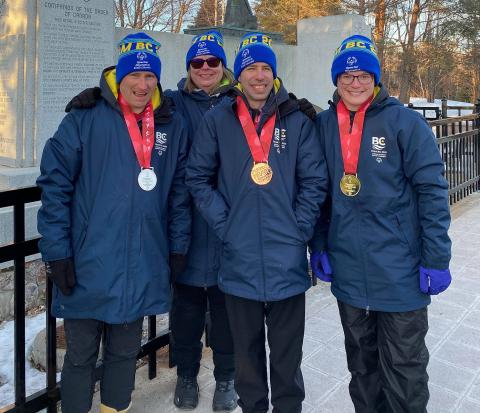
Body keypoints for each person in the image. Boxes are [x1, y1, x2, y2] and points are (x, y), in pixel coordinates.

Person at [37, 32, 190, 413]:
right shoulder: (84, 118)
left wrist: (177, 246)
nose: (142, 84)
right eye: (134, 75)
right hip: (89, 262)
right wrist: (57, 252)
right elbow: (55, 187)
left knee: (124, 353)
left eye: (150, 76)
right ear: (118, 77)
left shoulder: (170, 124)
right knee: (80, 357)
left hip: (141, 262)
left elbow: (179, 194)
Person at [186, 32, 329, 413]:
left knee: (286, 358)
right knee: (246, 360)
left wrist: (298, 227)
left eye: (266, 67)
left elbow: (315, 180)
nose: (259, 75)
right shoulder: (218, 119)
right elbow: (197, 177)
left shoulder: (296, 120)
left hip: (286, 260)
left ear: (274, 74)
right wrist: (226, 225)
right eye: (251, 67)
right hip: (239, 259)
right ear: (240, 74)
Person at [310, 34, 452, 413]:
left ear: (376, 78)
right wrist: (321, 244)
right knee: (362, 369)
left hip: (400, 273)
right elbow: (319, 193)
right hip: (350, 275)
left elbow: (433, 193)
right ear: (336, 80)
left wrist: (436, 258)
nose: (355, 83)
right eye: (347, 75)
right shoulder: (324, 125)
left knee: (405, 371)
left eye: (363, 75)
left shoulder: (405, 123)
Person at [164, 30, 238, 411]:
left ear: (223, 66)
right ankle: (187, 375)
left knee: (226, 313)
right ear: (189, 68)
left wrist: (301, 107)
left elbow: (277, 107)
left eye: (212, 62)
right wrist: (95, 99)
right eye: (198, 62)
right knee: (186, 312)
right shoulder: (172, 104)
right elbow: (130, 105)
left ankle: (227, 377)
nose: (205, 68)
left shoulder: (240, 102)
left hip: (229, 222)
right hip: (186, 226)